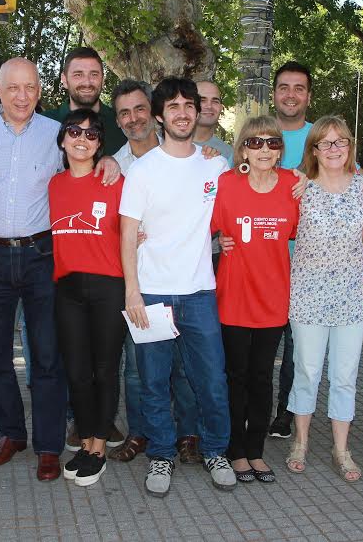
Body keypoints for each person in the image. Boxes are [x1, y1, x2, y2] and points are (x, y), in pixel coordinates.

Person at [0, 57, 120, 482]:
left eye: (30, 87)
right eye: (13, 88)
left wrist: (111, 161)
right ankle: (11, 433)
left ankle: (49, 445)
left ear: (40, 90)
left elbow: (82, 166)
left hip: (41, 256)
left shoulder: (54, 134)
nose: (21, 96)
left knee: (48, 356)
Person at [120, 77, 235, 497]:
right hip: (151, 294)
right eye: (174, 106)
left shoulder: (215, 165)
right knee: (153, 380)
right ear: (159, 116)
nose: (184, 112)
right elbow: (128, 235)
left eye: (190, 104)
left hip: (200, 292)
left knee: (211, 381)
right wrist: (132, 292)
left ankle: (216, 450)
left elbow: (255, 186)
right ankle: (161, 456)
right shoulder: (142, 170)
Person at [108, 80, 202, 466]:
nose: (134, 119)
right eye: (124, 113)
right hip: (141, 284)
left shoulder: (196, 156)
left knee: (184, 365)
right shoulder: (114, 167)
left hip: (187, 280)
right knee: (137, 367)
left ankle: (188, 434)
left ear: (156, 112)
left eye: (140, 109)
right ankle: (141, 433)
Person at [210, 116, 299, 483]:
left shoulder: (295, 186)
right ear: (244, 147)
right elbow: (201, 226)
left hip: (274, 297)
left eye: (273, 143)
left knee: (263, 376)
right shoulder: (227, 184)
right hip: (233, 296)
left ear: (280, 150)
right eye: (256, 142)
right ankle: (235, 451)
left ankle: (256, 450)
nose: (264, 149)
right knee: (236, 375)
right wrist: (219, 241)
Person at [285, 116, 363, 483]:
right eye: (326, 143)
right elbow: (269, 221)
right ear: (314, 149)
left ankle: (341, 448)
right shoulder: (298, 186)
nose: (334, 149)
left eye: (341, 142)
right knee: (306, 369)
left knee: (344, 374)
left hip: (352, 293)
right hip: (307, 292)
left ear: (350, 147)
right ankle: (300, 442)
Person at [49, 109, 127, 486]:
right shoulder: (53, 185)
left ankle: (98, 445)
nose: (82, 139)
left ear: (100, 143)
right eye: (74, 132)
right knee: (77, 372)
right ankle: (84, 439)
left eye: (92, 134)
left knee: (104, 369)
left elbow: (136, 231)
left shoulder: (116, 181)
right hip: (67, 289)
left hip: (109, 286)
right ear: (62, 140)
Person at [268, 60, 314, 440]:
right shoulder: (258, 135)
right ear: (274, 93)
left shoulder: (323, 139)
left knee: (298, 350)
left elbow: (355, 178)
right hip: (264, 263)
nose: (291, 94)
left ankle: (287, 413)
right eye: (284, 87)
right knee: (263, 346)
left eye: (298, 88)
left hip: (308, 265)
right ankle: (254, 410)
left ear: (308, 96)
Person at [42, 47, 126, 155]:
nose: (87, 82)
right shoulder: (44, 123)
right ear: (64, 80)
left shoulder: (121, 123)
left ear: (103, 80)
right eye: (78, 75)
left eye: (94, 74)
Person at [194, 81, 234, 164]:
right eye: (202, 100)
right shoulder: (165, 143)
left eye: (215, 101)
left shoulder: (228, 154)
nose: (209, 106)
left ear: (221, 108)